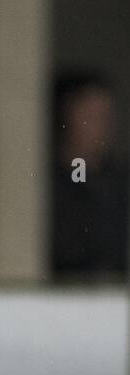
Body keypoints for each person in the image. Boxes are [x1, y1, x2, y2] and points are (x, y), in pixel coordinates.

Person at [51, 71, 128, 276]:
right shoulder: (48, 182)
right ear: (66, 115)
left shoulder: (120, 181)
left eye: (106, 117)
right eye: (90, 116)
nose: (102, 126)